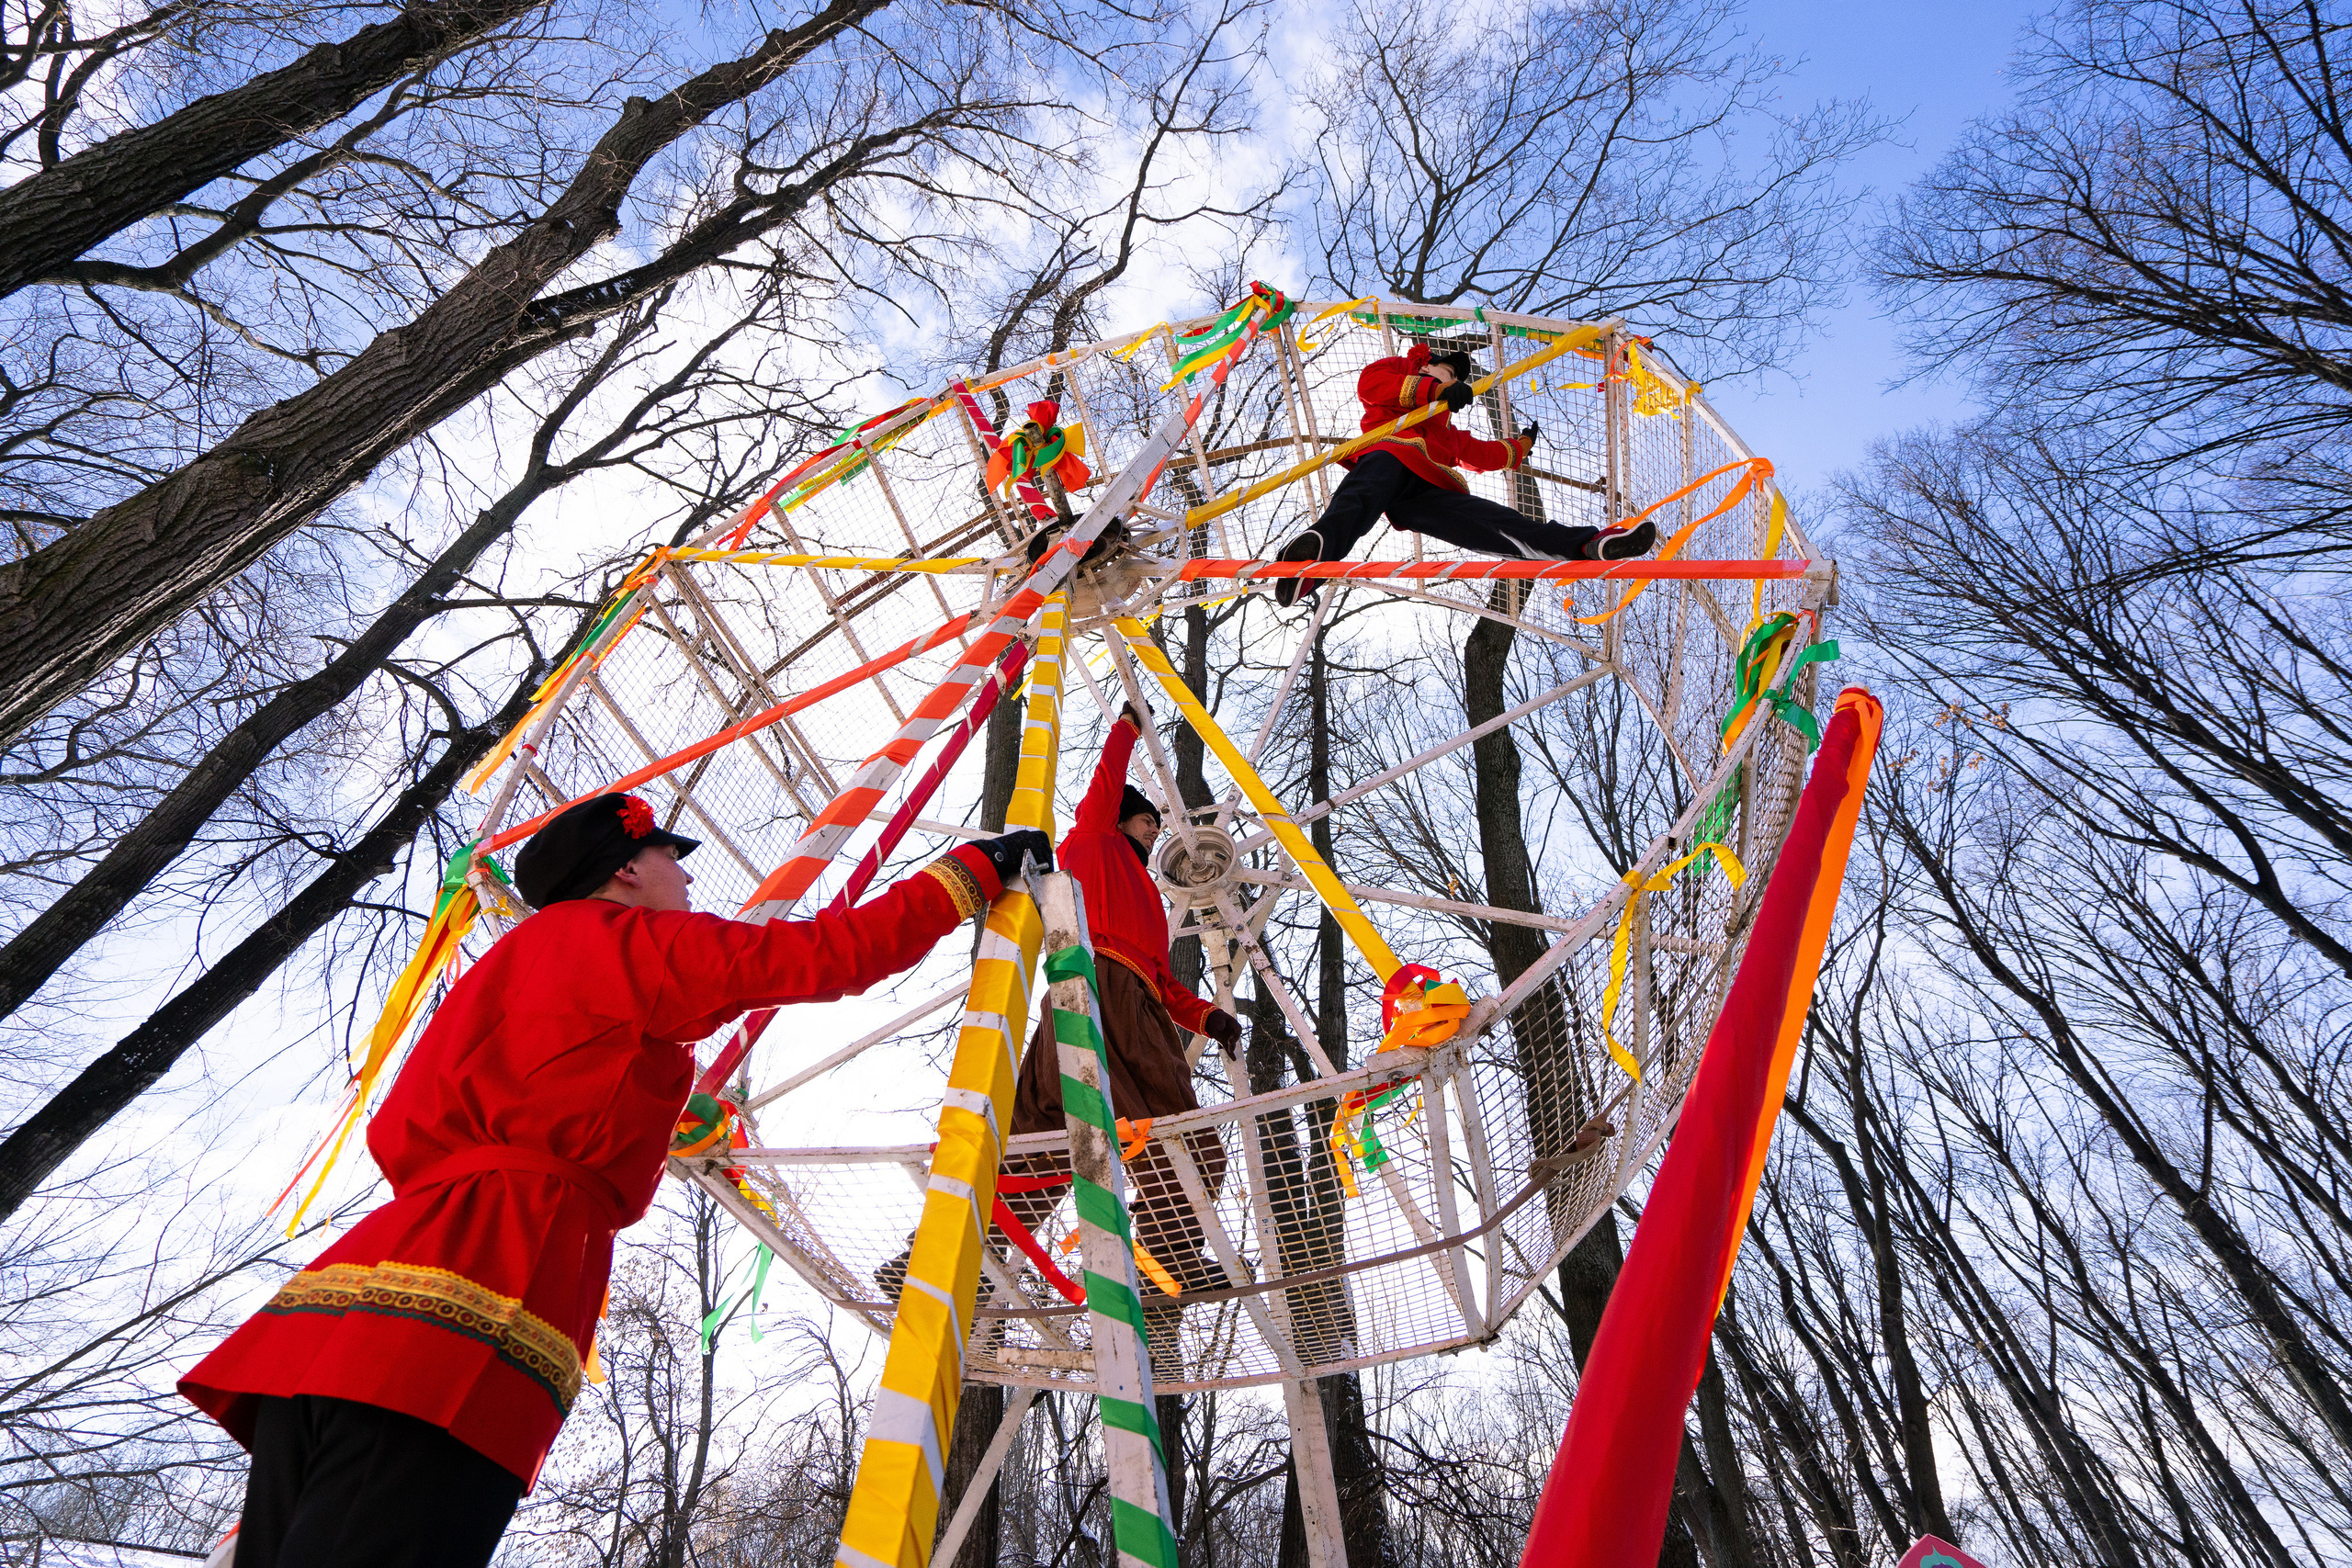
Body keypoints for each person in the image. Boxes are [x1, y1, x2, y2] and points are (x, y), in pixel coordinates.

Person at [181, 790, 1049, 1568]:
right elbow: (834, 953)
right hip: (482, 1290)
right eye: (673, 858)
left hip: (351, 1301)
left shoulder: (503, 965)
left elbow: (397, 1126)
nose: (683, 878)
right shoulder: (630, 944)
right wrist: (974, 869)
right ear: (629, 868)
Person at [999, 703, 1243, 1379]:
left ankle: (1162, 1259)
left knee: (1052, 1129)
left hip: (1111, 998)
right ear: (1120, 819)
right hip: (1101, 990)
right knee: (1161, 1133)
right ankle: (955, 1258)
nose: (1154, 833)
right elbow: (1104, 790)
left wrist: (1210, 1019)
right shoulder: (1095, 844)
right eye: (1148, 821)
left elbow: (1165, 985)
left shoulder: (1145, 899)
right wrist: (1126, 730)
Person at [1272, 342, 1658, 608]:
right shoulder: (1402, 371)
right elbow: (1371, 386)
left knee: (1495, 524)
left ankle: (1587, 545)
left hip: (1427, 491)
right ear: (1429, 364)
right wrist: (1431, 389)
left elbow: (1483, 455)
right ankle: (1307, 563)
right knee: (1357, 503)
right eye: (1449, 371)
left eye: (1457, 378)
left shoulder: (1447, 433)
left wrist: (1520, 446)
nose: (1454, 379)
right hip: (1390, 452)